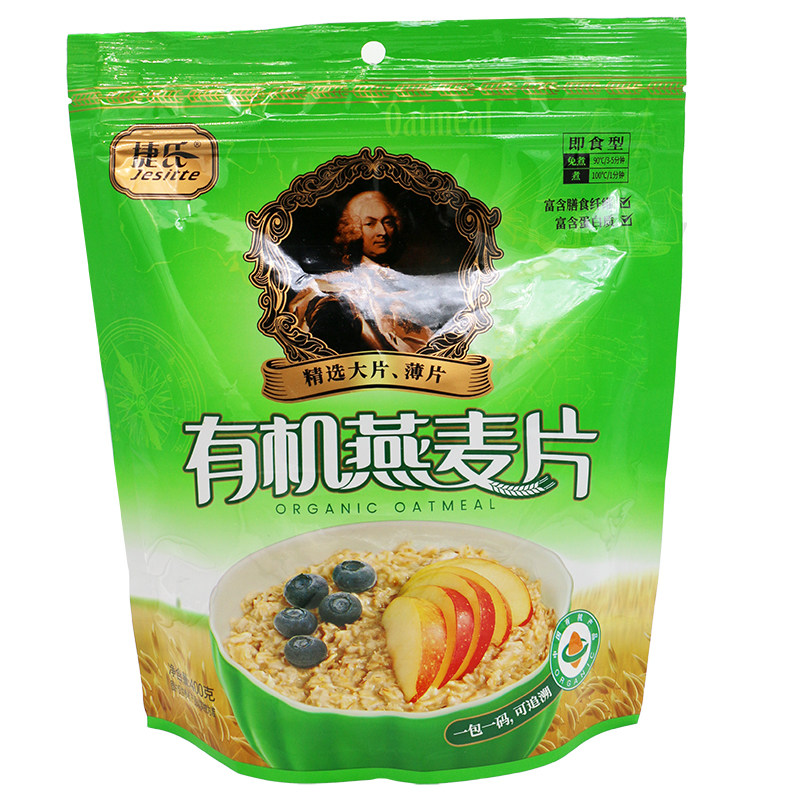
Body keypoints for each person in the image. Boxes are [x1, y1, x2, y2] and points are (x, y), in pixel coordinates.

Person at [288, 191, 437, 354]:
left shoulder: (406, 282)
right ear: (355, 230)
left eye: (388, 223)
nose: (382, 232)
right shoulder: (338, 284)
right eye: (370, 224)